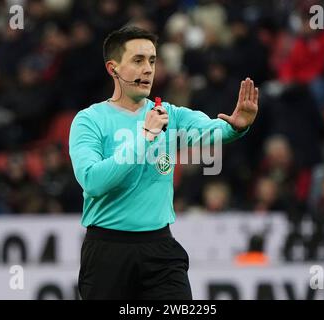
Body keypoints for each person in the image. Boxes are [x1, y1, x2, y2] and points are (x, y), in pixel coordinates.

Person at [69, 26, 259, 300]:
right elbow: (93, 182)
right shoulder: (90, 120)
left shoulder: (169, 114)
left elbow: (212, 128)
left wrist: (237, 126)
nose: (148, 69)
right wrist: (144, 137)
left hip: (160, 248)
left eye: (152, 61)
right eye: (138, 60)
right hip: (108, 251)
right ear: (113, 68)